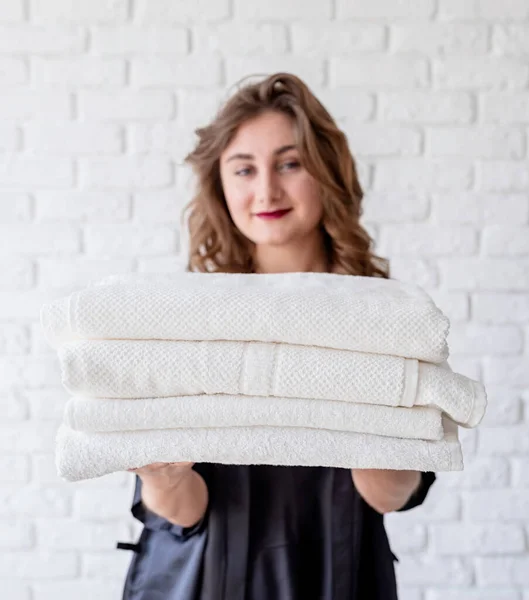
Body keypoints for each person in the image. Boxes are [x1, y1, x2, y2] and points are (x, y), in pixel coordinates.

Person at [119, 72, 436, 600]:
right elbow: (182, 510)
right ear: (220, 184)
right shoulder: (193, 317)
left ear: (326, 171)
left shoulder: (381, 317)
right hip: (203, 581)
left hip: (336, 577)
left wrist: (368, 421)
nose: (266, 189)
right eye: (244, 169)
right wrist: (162, 474)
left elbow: (393, 495)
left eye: (290, 163)